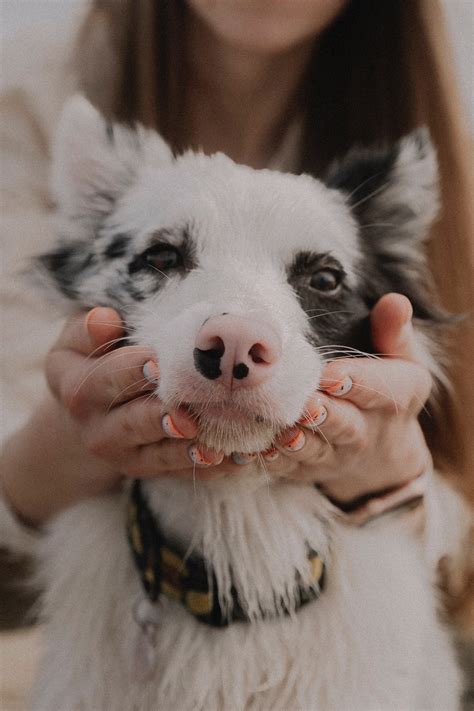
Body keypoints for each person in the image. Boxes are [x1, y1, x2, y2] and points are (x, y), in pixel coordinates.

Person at [0, 0, 472, 639]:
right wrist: (53, 453)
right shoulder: (25, 95)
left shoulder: (454, 151)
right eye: (164, 257)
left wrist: (394, 484)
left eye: (324, 279)